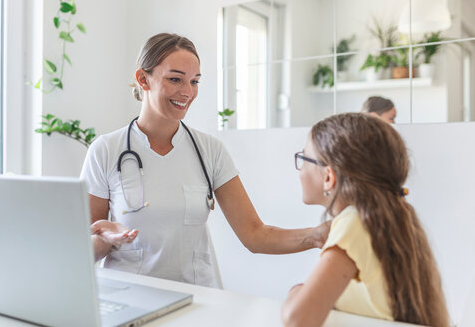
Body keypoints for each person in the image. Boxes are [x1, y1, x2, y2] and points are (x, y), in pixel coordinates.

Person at [80, 33, 330, 288]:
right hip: (130, 297)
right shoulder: (106, 151)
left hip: (198, 299)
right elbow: (83, 249)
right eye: (175, 79)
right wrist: (107, 239)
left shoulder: (210, 151)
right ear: (143, 79)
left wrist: (318, 235)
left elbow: (255, 235)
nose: (187, 92)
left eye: (195, 81)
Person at [281, 113, 449, 327]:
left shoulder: (353, 222)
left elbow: (297, 319)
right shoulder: (390, 217)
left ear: (328, 177)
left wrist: (297, 290)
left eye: (304, 159)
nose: (300, 170)